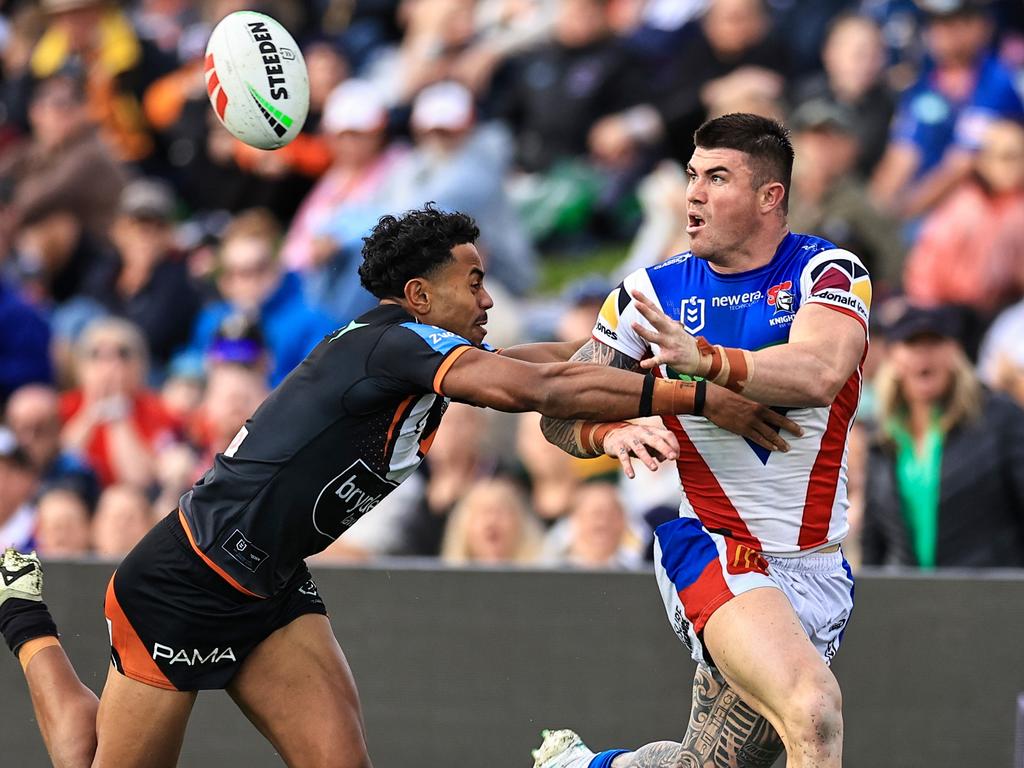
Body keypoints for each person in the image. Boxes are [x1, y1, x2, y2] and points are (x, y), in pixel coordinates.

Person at [0, 204, 798, 768]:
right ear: (419, 297)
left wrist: (674, 352)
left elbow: (554, 363)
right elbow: (540, 393)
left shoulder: (417, 359)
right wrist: (700, 396)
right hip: (186, 582)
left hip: (270, 585)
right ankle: (25, 620)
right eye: (473, 281)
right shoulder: (393, 346)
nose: (488, 298)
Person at [532, 113, 869, 768]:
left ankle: (584, 766)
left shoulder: (826, 271)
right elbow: (556, 412)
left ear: (771, 196)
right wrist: (608, 430)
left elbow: (822, 372)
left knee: (705, 764)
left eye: (718, 178)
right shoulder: (650, 296)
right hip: (716, 546)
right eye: (692, 176)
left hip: (815, 567)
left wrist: (711, 361)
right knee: (814, 711)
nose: (694, 194)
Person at [862, 304, 1024, 568]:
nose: (924, 355)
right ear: (893, 357)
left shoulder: (999, 419)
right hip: (909, 600)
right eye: (912, 344)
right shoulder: (882, 437)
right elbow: (874, 540)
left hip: (989, 596)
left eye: (935, 342)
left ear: (954, 351)